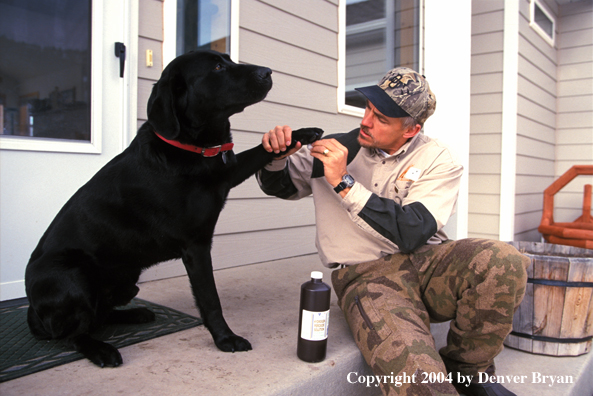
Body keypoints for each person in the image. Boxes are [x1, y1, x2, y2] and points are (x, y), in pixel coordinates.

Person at [257, 67, 530, 396]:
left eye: (382, 118)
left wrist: (344, 183)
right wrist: (273, 157)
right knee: (420, 378)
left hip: (426, 263)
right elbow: (282, 185)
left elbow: (412, 230)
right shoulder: (339, 148)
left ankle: (467, 372)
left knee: (504, 260)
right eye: (369, 108)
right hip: (366, 276)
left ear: (411, 130)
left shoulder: (436, 158)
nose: (366, 121)